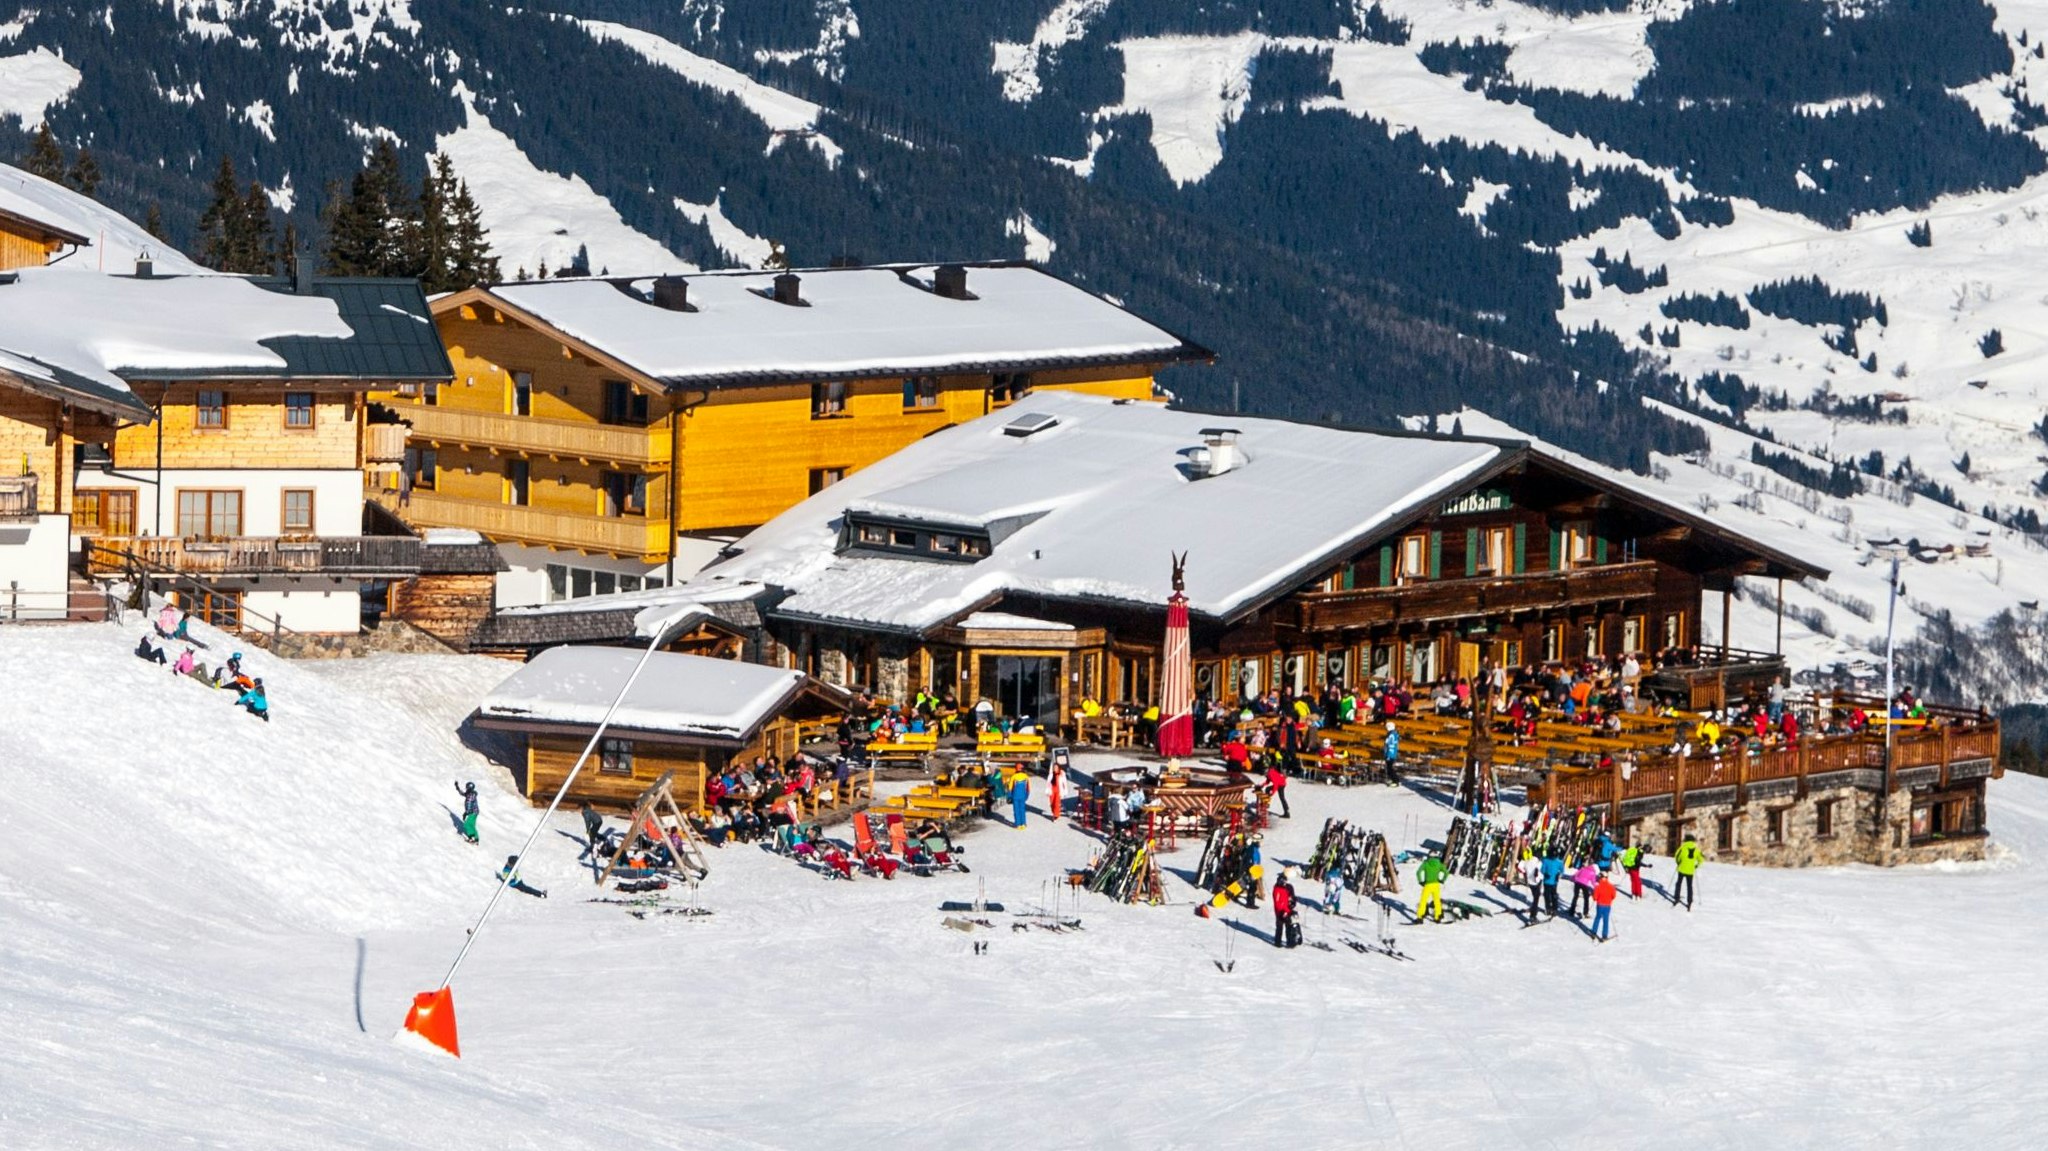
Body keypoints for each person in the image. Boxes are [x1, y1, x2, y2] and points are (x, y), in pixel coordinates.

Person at [1415, 853, 1447, 924]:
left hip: (1428, 885)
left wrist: (1420, 881)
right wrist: (1442, 880)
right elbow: (1446, 872)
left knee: (1423, 901)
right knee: (1437, 901)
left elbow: (1418, 872)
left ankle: (1420, 917)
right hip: (1436, 885)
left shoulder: (1426, 863)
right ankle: (1437, 917)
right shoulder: (1439, 864)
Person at [1674, 833, 1702, 910]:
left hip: (1682, 869)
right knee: (1689, 886)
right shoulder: (1696, 849)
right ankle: (1689, 902)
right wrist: (1696, 866)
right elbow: (1701, 859)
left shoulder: (1682, 848)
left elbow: (1676, 856)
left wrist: (1678, 862)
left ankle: (1676, 898)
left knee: (1678, 883)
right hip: (1690, 870)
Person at [1516, 850, 1545, 924]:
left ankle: (1533, 910)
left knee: (1535, 897)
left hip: (1529, 882)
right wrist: (1536, 877)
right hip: (1537, 882)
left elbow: (1519, 867)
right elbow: (1537, 870)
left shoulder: (1527, 860)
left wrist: (1525, 873)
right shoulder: (1539, 862)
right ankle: (1533, 916)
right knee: (1536, 899)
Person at [1271, 872, 1297, 947]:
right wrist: (1283, 912)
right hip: (1280, 912)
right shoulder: (1277, 890)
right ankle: (1277, 942)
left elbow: (1289, 897)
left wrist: (1292, 901)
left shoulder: (1285, 888)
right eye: (1284, 882)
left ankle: (1290, 941)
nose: (1285, 883)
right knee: (1279, 927)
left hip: (1287, 910)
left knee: (1289, 926)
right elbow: (1278, 903)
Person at [1591, 870, 1617, 942]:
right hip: (1607, 906)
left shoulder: (1598, 886)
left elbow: (1595, 898)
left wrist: (1593, 896)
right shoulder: (1611, 887)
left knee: (1597, 918)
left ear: (1601, 877)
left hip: (1600, 905)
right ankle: (1604, 935)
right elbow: (1614, 896)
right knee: (1606, 920)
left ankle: (1593, 932)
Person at [1540, 849, 1565, 918]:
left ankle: (1554, 909)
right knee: (1547, 895)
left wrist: (1559, 874)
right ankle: (1548, 908)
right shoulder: (1546, 861)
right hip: (1547, 881)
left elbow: (1562, 870)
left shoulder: (1559, 862)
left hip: (1554, 882)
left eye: (1554, 856)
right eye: (1552, 856)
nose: (1553, 858)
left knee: (1554, 895)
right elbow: (1542, 869)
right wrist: (1545, 873)